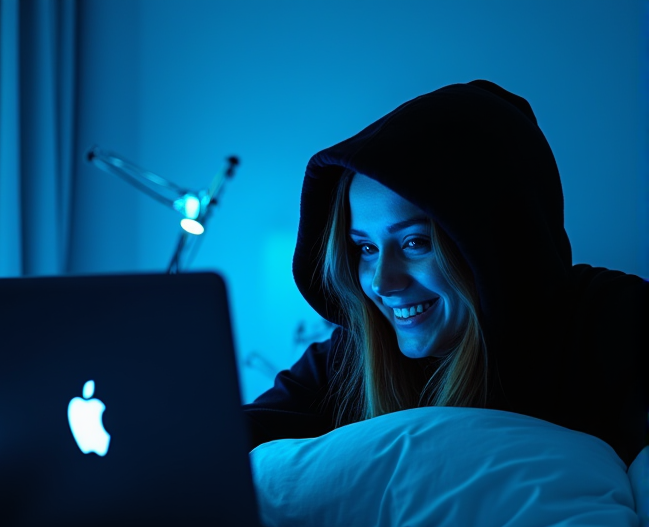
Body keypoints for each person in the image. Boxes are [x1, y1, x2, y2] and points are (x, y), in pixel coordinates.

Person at [243, 80, 648, 468]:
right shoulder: (351, 356)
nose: (383, 283)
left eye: (415, 243)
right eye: (365, 248)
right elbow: (225, 442)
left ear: (497, 240)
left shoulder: (618, 321)